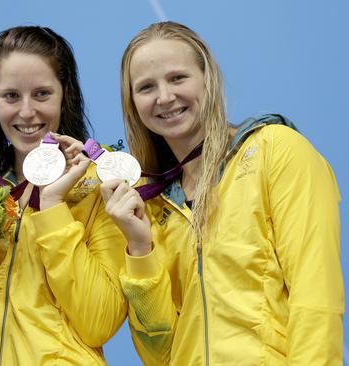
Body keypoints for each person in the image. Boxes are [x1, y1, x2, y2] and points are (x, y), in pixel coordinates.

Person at [102, 21, 344, 365]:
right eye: (146, 87)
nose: (165, 97)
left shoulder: (277, 150)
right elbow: (159, 353)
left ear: (207, 78)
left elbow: (315, 294)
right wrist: (140, 249)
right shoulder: (150, 203)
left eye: (177, 78)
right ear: (133, 103)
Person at [0, 26, 128, 365]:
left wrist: (53, 208)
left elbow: (100, 322)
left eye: (42, 94)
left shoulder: (102, 185)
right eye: (11, 96)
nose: (26, 112)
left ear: (66, 95)